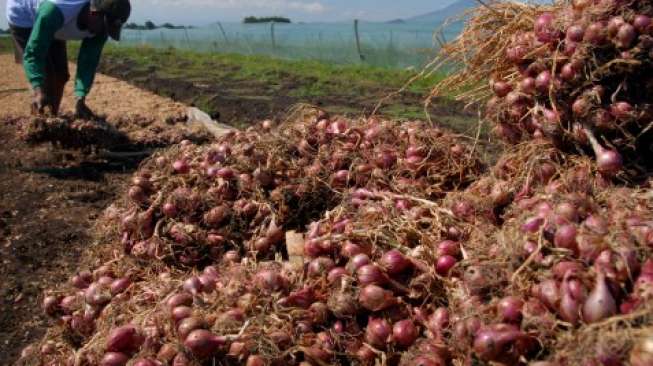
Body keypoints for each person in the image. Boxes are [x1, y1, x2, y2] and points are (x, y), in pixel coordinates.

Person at [6, 0, 131, 118]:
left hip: (57, 23)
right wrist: (38, 90)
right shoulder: (55, 11)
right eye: (104, 27)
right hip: (24, 15)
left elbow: (88, 63)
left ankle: (52, 116)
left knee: (61, 75)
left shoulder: (101, 29)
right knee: (46, 79)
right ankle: (40, 122)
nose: (104, 33)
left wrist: (80, 98)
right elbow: (33, 54)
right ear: (93, 13)